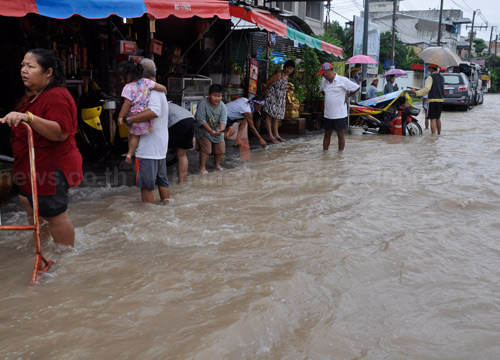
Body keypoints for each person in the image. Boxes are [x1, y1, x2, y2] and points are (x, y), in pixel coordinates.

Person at [1, 48, 83, 248]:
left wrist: (28, 117)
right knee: (31, 206)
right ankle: (43, 248)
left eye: (30, 66)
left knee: (55, 214)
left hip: (50, 168)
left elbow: (60, 133)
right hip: (31, 168)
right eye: (22, 65)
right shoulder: (35, 97)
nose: (24, 70)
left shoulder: (56, 96)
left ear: (48, 72)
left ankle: (66, 260)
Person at [124, 58, 170, 204]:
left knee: (146, 186)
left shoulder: (151, 91)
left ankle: (148, 218)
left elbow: (153, 112)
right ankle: (167, 210)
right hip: (159, 145)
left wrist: (130, 120)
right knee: (162, 181)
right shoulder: (157, 90)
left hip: (149, 147)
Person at [117, 60, 167, 163]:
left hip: (136, 118)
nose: (122, 82)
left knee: (133, 134)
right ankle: (130, 154)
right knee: (135, 135)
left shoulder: (128, 87)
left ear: (129, 75)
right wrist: (165, 90)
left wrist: (121, 117)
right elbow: (160, 87)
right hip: (147, 123)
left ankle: (130, 153)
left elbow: (126, 104)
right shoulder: (146, 82)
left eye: (122, 78)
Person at [318, 62, 360, 151]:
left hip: (339, 114)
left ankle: (340, 155)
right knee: (327, 134)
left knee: (340, 135)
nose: (323, 76)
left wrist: (347, 96)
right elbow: (321, 90)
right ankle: (325, 153)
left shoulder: (342, 80)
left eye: (324, 73)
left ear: (329, 71)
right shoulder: (324, 82)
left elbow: (357, 87)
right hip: (328, 114)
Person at [195, 84, 227, 174]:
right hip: (203, 129)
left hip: (216, 129)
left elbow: (223, 120)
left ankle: (217, 164)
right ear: (209, 95)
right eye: (215, 96)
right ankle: (202, 167)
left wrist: (221, 130)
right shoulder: (203, 104)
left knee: (221, 146)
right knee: (206, 148)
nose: (217, 98)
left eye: (219, 96)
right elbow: (200, 120)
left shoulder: (222, 106)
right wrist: (210, 130)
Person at [263, 60, 295, 144]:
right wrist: (264, 93)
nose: (289, 70)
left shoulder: (286, 76)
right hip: (272, 97)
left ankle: (276, 135)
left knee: (276, 117)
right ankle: (270, 136)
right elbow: (267, 83)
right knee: (269, 116)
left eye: (291, 69)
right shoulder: (278, 74)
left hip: (279, 99)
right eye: (287, 68)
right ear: (284, 67)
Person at [411, 64, 444, 135]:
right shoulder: (442, 77)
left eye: (429, 68)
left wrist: (416, 92)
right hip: (440, 100)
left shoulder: (430, 77)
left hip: (432, 100)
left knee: (433, 119)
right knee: (438, 118)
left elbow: (426, 89)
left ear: (432, 69)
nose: (428, 70)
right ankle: (439, 134)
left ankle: (433, 136)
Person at [167, 102, 195, 183]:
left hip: (177, 122)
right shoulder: (173, 105)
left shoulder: (156, 104)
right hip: (191, 121)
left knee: (161, 152)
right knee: (182, 155)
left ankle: (159, 180)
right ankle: (182, 182)